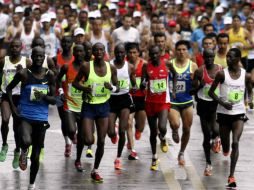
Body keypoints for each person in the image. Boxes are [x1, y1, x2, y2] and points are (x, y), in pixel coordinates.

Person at [6, 46, 56, 190]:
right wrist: (13, 107)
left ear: (44, 57)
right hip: (25, 115)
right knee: (26, 140)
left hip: (41, 118)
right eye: (36, 56)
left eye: (41, 56)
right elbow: (9, 89)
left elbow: (54, 100)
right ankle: (23, 151)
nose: (39, 59)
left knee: (35, 157)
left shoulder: (50, 75)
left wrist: (47, 97)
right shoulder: (24, 74)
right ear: (31, 57)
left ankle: (31, 184)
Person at [73, 42, 119, 182]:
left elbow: (117, 87)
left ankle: (96, 170)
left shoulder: (111, 68)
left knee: (101, 141)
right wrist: (84, 88)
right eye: (96, 50)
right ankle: (85, 140)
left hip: (103, 106)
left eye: (101, 49)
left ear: (104, 52)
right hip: (88, 106)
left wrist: (111, 87)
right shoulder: (87, 66)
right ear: (92, 52)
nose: (99, 52)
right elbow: (75, 83)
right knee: (89, 140)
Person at [208, 48, 253, 189]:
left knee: (235, 143)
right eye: (227, 57)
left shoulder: (245, 75)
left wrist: (250, 100)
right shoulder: (222, 74)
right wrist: (223, 103)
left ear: (238, 58)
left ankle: (231, 176)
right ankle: (222, 143)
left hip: (239, 113)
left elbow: (250, 89)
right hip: (223, 114)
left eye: (231, 57)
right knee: (226, 148)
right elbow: (211, 92)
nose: (227, 59)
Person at [141, 45, 176, 170]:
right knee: (152, 132)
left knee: (162, 127)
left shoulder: (166, 64)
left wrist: (174, 89)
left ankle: (163, 138)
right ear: (150, 54)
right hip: (150, 102)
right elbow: (143, 82)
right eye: (152, 54)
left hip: (163, 102)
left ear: (160, 53)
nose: (154, 56)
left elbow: (175, 74)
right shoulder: (146, 66)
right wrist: (143, 84)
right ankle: (154, 157)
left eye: (156, 53)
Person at [190, 49, 222, 176]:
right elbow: (191, 92)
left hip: (216, 104)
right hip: (203, 105)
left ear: (214, 57)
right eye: (207, 57)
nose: (209, 59)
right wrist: (199, 86)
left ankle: (217, 139)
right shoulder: (199, 71)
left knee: (215, 129)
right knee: (206, 135)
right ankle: (208, 164)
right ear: (203, 57)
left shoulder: (220, 70)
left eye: (211, 57)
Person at [0, 38, 31, 169]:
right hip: (6, 95)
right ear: (9, 48)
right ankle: (5, 144)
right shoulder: (3, 61)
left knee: (17, 127)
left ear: (21, 48)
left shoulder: (27, 62)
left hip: (20, 97)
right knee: (5, 119)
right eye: (12, 46)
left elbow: (31, 78)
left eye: (17, 46)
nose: (14, 49)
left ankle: (17, 151)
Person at [58, 44, 87, 170]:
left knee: (83, 137)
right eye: (77, 51)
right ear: (73, 53)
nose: (79, 53)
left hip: (84, 106)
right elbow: (57, 79)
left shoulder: (88, 67)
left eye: (82, 51)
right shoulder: (66, 67)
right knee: (71, 130)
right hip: (69, 104)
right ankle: (72, 137)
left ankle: (78, 159)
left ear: (85, 53)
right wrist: (61, 92)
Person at [168, 40, 198, 166]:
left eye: (184, 49)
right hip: (173, 101)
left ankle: (181, 152)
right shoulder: (169, 64)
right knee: (175, 124)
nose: (181, 52)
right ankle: (174, 130)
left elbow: (197, 85)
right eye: (179, 49)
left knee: (186, 129)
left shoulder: (193, 66)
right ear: (175, 51)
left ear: (188, 51)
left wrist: (194, 81)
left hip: (187, 101)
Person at [108, 43, 136, 170]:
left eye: (122, 52)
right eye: (117, 52)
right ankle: (113, 134)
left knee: (122, 130)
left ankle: (118, 158)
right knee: (110, 131)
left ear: (125, 53)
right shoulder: (108, 65)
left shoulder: (129, 66)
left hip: (124, 98)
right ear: (114, 52)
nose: (119, 55)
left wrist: (134, 87)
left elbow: (133, 80)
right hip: (111, 98)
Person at [53, 36, 75, 157]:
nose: (66, 44)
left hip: (73, 93)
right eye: (64, 42)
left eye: (68, 42)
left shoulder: (76, 58)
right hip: (59, 92)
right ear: (61, 44)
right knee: (64, 119)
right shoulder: (56, 59)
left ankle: (73, 135)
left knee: (73, 118)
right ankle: (67, 142)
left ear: (72, 44)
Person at [125, 42, 147, 157]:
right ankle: (132, 147)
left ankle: (138, 130)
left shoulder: (144, 64)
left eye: (135, 52)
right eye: (130, 52)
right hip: (129, 97)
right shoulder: (123, 64)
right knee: (128, 122)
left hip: (141, 98)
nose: (132, 54)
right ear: (126, 53)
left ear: (138, 53)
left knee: (141, 125)